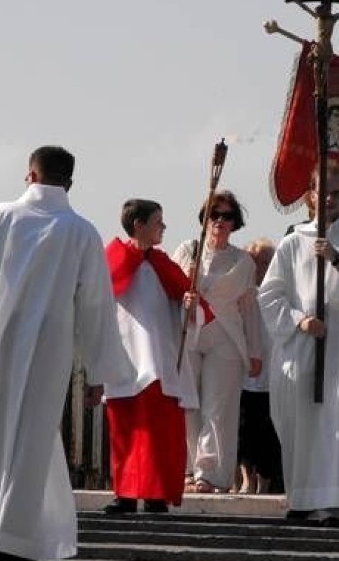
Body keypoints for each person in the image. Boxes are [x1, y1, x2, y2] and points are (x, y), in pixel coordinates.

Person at [0, 146, 134, 561]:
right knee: (33, 441)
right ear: (69, 183)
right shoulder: (80, 232)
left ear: (30, 175)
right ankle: (13, 542)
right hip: (50, 347)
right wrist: (99, 372)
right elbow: (96, 307)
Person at [259, 161, 339, 526]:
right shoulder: (293, 242)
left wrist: (336, 259)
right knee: (298, 420)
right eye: (322, 192)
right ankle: (300, 497)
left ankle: (333, 502)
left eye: (337, 193)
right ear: (310, 195)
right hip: (301, 344)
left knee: (337, 421)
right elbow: (270, 295)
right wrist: (300, 320)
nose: (329, 199)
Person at [102, 199, 212, 514]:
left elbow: (191, 309)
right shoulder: (113, 259)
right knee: (126, 430)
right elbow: (97, 303)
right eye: (157, 221)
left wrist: (188, 306)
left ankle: (155, 494)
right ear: (138, 224)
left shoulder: (164, 265)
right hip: (124, 359)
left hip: (160, 362)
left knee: (158, 433)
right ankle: (124, 493)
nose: (163, 227)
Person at [173, 190, 264, 493]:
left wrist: (255, 351)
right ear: (205, 219)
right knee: (188, 404)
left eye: (226, 216)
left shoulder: (243, 263)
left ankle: (209, 473)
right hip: (189, 336)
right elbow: (170, 292)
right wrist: (183, 296)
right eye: (215, 215)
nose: (220, 221)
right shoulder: (187, 251)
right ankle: (187, 467)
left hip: (225, 338)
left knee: (217, 407)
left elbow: (249, 309)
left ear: (235, 222)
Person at [236, 238, 283, 495]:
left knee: (267, 432)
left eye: (264, 262)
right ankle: (246, 478)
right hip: (244, 374)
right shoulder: (241, 291)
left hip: (271, 376)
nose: (259, 267)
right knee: (243, 431)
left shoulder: (277, 292)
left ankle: (265, 479)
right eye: (255, 262)